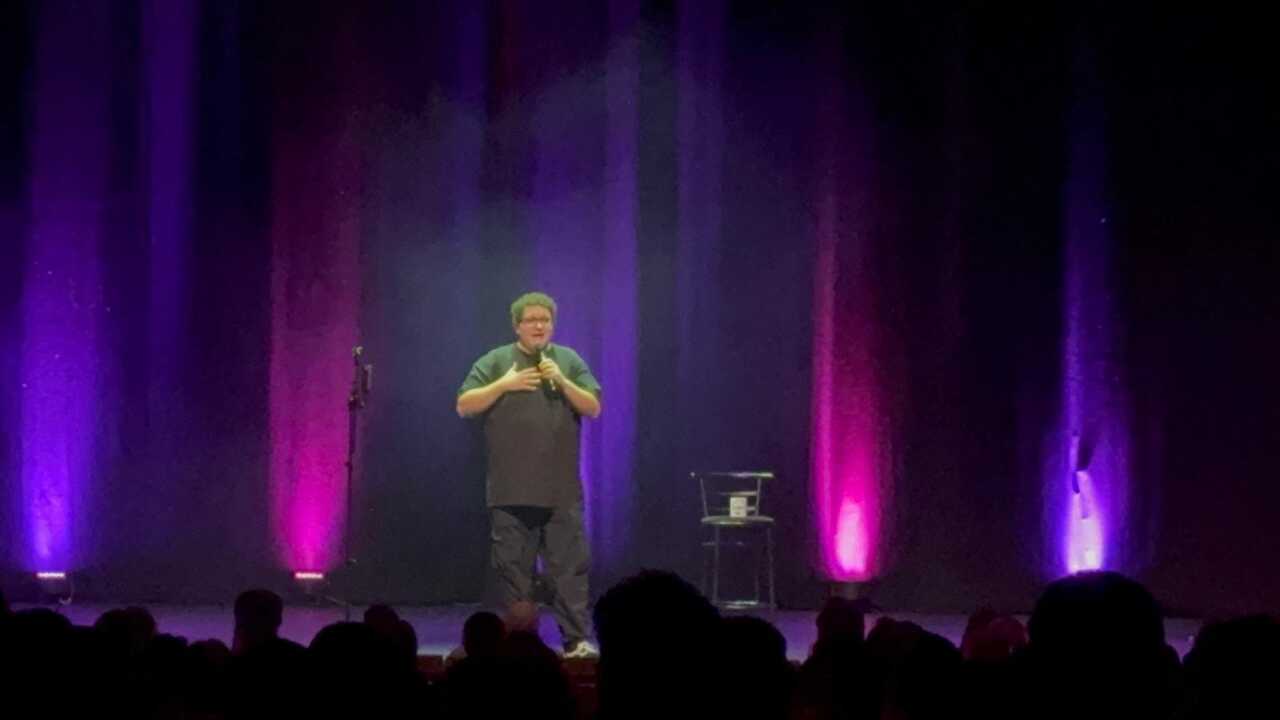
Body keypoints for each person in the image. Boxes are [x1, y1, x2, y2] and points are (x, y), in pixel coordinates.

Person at [457, 291, 602, 659]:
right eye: (531, 320)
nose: (539, 326)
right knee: (513, 575)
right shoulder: (496, 361)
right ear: (517, 326)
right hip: (511, 491)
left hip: (561, 492)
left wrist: (563, 382)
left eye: (545, 320)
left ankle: (576, 641)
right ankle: (518, 644)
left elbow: (593, 407)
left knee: (569, 572)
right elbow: (464, 405)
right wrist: (503, 385)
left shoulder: (568, 360)